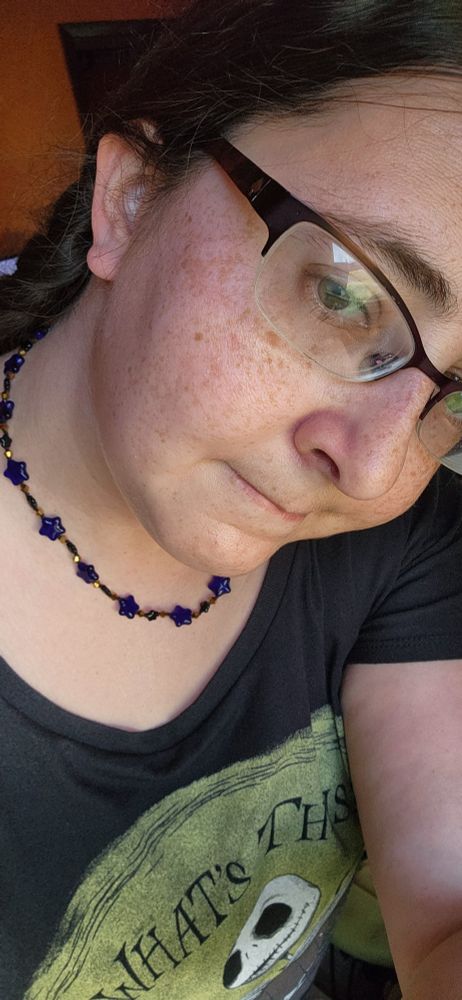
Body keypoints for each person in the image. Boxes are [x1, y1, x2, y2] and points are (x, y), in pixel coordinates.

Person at [1, 1, 462, 998]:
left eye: (454, 400)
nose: (378, 468)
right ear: (128, 199)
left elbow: (446, 915)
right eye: (345, 295)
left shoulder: (407, 545)